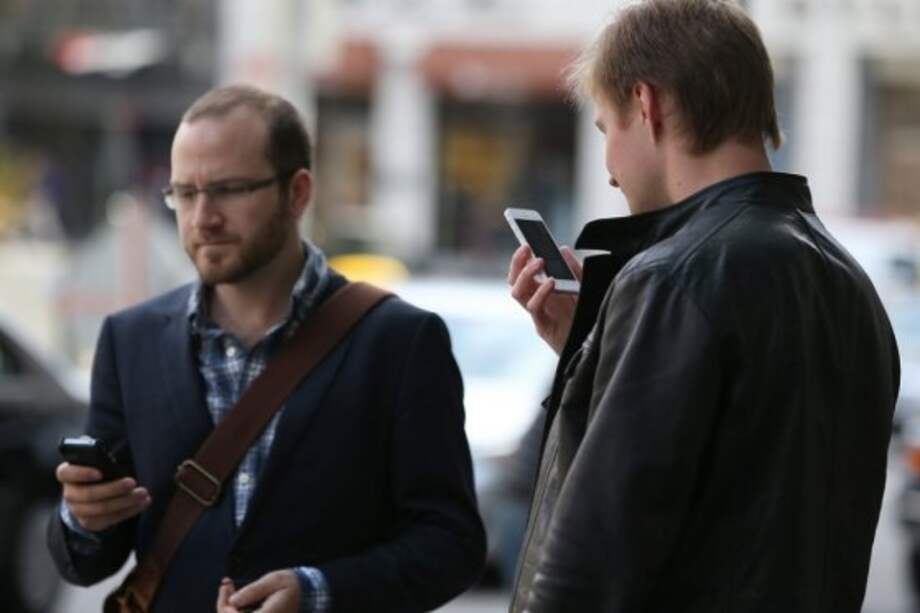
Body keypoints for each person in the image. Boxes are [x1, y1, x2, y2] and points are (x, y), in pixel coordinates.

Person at [506, 1, 900, 611]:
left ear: (646, 104)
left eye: (607, 128)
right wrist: (594, 351)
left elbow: (590, 563)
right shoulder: (850, 284)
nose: (610, 170)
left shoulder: (672, 279)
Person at [48, 84, 486, 613]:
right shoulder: (130, 339)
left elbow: (451, 545)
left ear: (298, 192)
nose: (202, 217)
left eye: (229, 190)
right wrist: (83, 517)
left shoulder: (400, 341)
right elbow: (89, 561)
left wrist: (319, 591)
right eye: (184, 193)